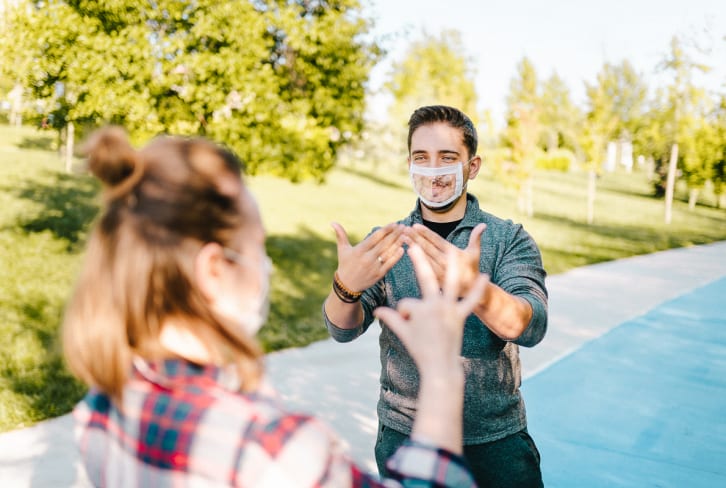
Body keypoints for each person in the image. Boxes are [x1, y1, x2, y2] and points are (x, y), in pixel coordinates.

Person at [62, 126, 486, 487]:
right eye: (258, 245)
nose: (266, 265)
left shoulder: (100, 408)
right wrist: (442, 373)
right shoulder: (276, 447)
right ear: (214, 270)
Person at [323, 105, 548, 487]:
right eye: (421, 158)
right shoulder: (387, 240)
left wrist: (474, 290)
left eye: (447, 158)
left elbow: (530, 326)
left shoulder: (508, 238)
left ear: (472, 167)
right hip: (405, 437)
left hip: (496, 442)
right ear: (409, 164)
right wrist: (345, 287)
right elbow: (342, 329)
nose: (433, 171)